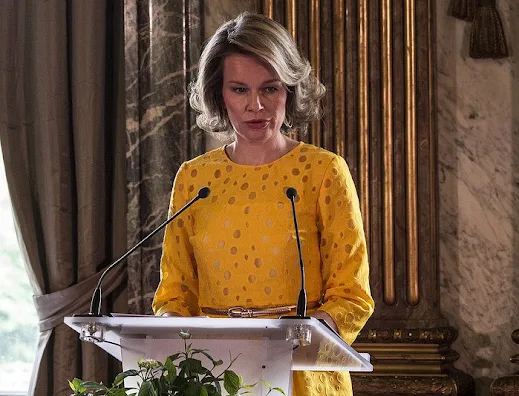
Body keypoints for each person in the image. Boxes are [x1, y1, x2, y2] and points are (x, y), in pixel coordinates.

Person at [152, 11, 374, 396]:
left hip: (301, 376)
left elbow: (352, 295)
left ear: (290, 89)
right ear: (219, 95)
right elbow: (174, 293)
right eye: (239, 90)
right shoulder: (194, 179)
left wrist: (297, 336)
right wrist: (169, 333)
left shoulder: (323, 172)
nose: (255, 105)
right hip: (211, 377)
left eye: (269, 88)